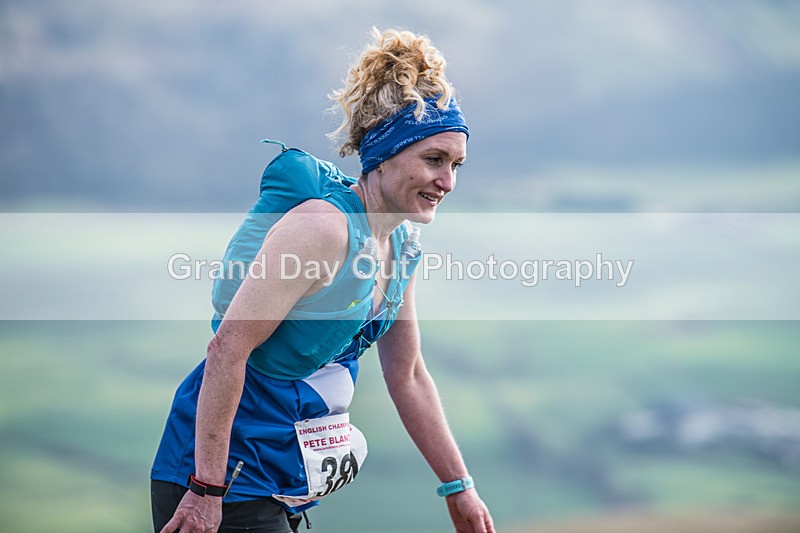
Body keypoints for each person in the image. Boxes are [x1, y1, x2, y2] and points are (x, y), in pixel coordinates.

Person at [150, 27, 495, 533]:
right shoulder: (322, 228)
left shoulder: (401, 248)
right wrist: (205, 491)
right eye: (433, 160)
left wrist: (459, 487)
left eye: (456, 164)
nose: (448, 182)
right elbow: (227, 348)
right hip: (222, 481)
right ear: (383, 153)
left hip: (285, 481)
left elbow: (410, 374)